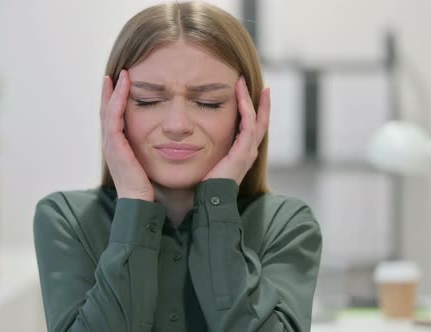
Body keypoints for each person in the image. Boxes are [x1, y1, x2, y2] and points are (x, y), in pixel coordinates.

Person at [33, 2, 322, 331]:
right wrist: (134, 202)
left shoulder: (287, 225)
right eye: (148, 100)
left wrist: (217, 205)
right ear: (115, 109)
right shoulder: (66, 219)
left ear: (248, 115)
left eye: (207, 102)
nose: (176, 124)